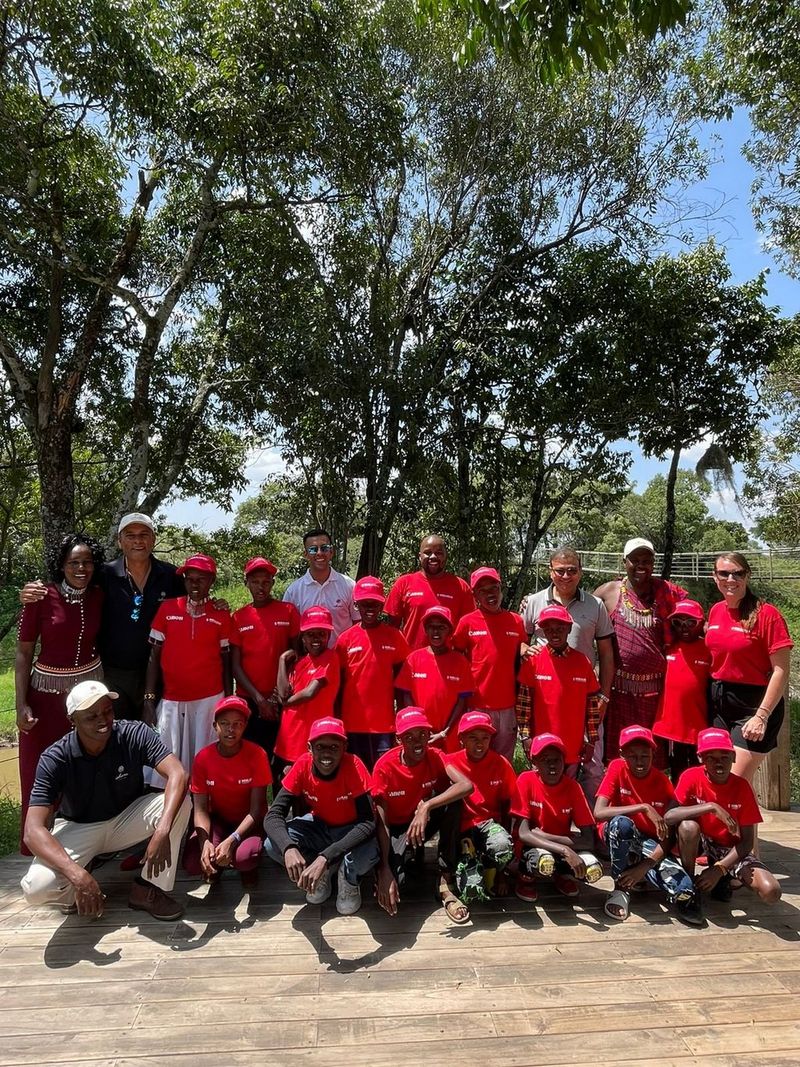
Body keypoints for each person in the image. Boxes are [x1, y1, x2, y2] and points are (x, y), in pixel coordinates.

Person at [21, 680, 191, 920]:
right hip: (78, 826)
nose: (103, 720)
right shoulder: (55, 758)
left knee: (182, 802)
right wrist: (75, 873)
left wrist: (162, 830)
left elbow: (178, 773)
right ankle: (77, 885)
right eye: (91, 717)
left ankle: (148, 888)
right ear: (73, 721)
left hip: (126, 818)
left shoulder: (133, 733)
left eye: (107, 711)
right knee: (35, 888)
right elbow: (32, 830)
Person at [20, 513, 185, 720]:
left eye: (144, 534)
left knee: (155, 740)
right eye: (130, 535)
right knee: (116, 738)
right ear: (120, 541)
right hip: (112, 675)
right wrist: (32, 590)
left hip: (160, 674)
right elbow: (69, 585)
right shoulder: (103, 575)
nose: (137, 541)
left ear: (153, 539)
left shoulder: (172, 576)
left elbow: (193, 606)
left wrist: (216, 604)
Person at [15, 533, 105, 852]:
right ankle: (36, 842)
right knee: (38, 765)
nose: (81, 568)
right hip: (46, 696)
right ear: (61, 565)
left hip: (90, 696)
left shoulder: (98, 594)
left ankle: (84, 837)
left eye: (87, 562)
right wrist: (20, 703)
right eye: (73, 562)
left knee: (86, 764)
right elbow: (24, 652)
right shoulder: (40, 596)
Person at [520, 547, 614, 803]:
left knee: (592, 764)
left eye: (572, 571)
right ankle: (546, 816)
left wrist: (604, 697)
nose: (565, 576)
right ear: (550, 572)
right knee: (546, 759)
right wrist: (526, 649)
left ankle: (593, 824)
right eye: (559, 571)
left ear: (580, 572)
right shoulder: (533, 602)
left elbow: (606, 654)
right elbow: (518, 640)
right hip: (545, 694)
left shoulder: (595, 605)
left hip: (585, 692)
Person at [264, 717, 379, 915]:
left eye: (334, 746)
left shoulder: (354, 766)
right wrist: (289, 848)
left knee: (370, 852)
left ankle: (347, 877)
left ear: (345, 746)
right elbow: (273, 815)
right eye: (320, 746)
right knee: (272, 845)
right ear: (310, 747)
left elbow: (368, 823)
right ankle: (322, 870)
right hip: (320, 826)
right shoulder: (302, 765)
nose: (327, 753)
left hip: (351, 831)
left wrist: (326, 856)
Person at [372, 708, 473, 923]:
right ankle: (400, 863)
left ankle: (445, 878)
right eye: (409, 736)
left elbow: (466, 785)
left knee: (454, 803)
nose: (417, 742)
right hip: (396, 829)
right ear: (399, 739)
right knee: (399, 882)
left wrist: (426, 806)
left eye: (423, 735)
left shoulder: (435, 756)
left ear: (430, 735)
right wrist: (384, 868)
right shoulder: (384, 767)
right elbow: (381, 823)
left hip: (420, 821)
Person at [668, 727, 782, 914]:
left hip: (728, 848)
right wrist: (710, 807)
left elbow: (746, 842)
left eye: (724, 757)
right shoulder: (691, 776)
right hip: (699, 840)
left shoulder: (741, 787)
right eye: (710, 758)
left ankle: (723, 878)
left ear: (734, 757)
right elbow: (669, 816)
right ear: (700, 759)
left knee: (771, 891)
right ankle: (688, 886)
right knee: (688, 827)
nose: (718, 764)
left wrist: (720, 869)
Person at [595, 538, 687, 764]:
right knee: (618, 757)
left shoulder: (668, 593)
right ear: (624, 562)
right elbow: (579, 614)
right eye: (635, 560)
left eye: (646, 560)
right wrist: (533, 602)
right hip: (618, 692)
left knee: (651, 757)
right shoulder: (607, 592)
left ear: (653, 562)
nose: (641, 565)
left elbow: (692, 617)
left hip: (656, 693)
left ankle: (652, 798)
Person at [705, 552, 793, 787]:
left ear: (747, 576)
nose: (730, 579)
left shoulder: (768, 615)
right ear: (715, 577)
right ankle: (745, 825)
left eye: (738, 573)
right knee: (722, 783)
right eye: (724, 573)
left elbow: (781, 670)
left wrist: (761, 716)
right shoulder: (715, 611)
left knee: (732, 783)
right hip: (719, 704)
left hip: (752, 705)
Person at [594, 725, 697, 924]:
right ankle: (620, 888)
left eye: (645, 756)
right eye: (633, 756)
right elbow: (599, 812)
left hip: (649, 844)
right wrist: (642, 807)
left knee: (683, 888)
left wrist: (645, 865)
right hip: (621, 835)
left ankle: (640, 874)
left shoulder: (662, 782)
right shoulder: (616, 768)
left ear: (653, 754)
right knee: (621, 825)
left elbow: (667, 836)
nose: (639, 762)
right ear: (623, 754)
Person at [145, 553, 232, 777]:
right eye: (189, 578)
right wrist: (149, 699)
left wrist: (228, 702)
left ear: (211, 581)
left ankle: (202, 807)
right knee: (166, 763)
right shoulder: (168, 608)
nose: (194, 584)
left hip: (209, 700)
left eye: (201, 579)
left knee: (205, 762)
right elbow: (154, 656)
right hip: (173, 699)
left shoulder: (221, 615)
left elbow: (227, 661)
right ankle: (170, 808)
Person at [183, 695, 271, 890]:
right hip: (219, 820)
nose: (231, 730)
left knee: (246, 858)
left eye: (237, 724)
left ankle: (246, 869)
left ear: (245, 726)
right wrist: (204, 841)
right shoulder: (203, 758)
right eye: (225, 723)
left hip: (249, 822)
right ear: (215, 726)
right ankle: (216, 866)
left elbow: (257, 810)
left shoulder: (257, 755)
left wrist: (233, 840)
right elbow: (200, 809)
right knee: (192, 862)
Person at [512, 733, 603, 902]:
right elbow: (524, 834)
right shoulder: (525, 780)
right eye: (545, 759)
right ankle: (525, 880)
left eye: (557, 760)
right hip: (534, 847)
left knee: (592, 867)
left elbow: (589, 840)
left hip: (550, 840)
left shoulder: (573, 787)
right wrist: (565, 849)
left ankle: (562, 876)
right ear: (535, 763)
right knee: (541, 858)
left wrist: (545, 836)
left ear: (564, 762)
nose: (552, 765)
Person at [453, 567, 528, 761]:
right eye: (483, 591)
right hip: (477, 704)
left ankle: (501, 791)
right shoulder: (466, 622)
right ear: (475, 595)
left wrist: (525, 648)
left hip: (508, 705)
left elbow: (522, 648)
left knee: (503, 759)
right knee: (476, 757)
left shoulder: (516, 621)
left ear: (500, 588)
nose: (490, 594)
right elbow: (456, 656)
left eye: (493, 588)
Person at [517, 603, 600, 778]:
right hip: (541, 746)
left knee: (567, 789)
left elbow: (592, 706)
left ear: (569, 629)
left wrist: (591, 741)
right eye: (549, 629)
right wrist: (525, 737)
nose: (554, 633)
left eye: (560, 628)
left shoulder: (582, 662)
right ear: (542, 631)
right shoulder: (532, 662)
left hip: (572, 746)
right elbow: (524, 705)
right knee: (542, 789)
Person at [335, 576, 410, 770]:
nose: (369, 608)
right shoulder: (345, 640)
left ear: (381, 605)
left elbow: (403, 684)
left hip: (384, 725)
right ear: (356, 604)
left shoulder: (395, 637)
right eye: (364, 603)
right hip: (351, 724)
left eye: (374, 603)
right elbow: (338, 685)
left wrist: (401, 719)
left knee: (382, 773)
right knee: (356, 776)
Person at [230, 556, 300, 760]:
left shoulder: (288, 611)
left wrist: (278, 695)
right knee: (251, 757)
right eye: (255, 582)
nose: (261, 587)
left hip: (282, 698)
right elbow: (235, 665)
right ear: (246, 584)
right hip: (250, 699)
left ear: (273, 583)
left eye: (266, 582)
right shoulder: (239, 617)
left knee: (281, 759)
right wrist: (260, 700)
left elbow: (297, 655)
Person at [445, 711, 518, 903]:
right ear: (461, 739)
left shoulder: (501, 764)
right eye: (473, 738)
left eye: (485, 738)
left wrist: (504, 870)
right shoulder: (449, 762)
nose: (479, 743)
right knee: (472, 889)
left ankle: (494, 868)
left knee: (502, 846)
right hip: (460, 830)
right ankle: (466, 866)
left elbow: (507, 806)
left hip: (488, 824)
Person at [274, 606, 341, 776]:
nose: (316, 639)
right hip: (288, 738)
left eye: (322, 634)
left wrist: (286, 702)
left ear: (329, 636)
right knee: (283, 787)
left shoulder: (330, 658)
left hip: (312, 737)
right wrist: (282, 661)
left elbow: (310, 692)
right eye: (310, 634)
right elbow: (282, 691)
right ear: (302, 638)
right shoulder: (298, 662)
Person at [395, 605, 473, 751]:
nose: (436, 631)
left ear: (450, 630)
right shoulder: (413, 659)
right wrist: (418, 727)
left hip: (449, 736)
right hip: (419, 735)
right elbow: (407, 697)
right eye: (431, 627)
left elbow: (461, 702)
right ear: (425, 630)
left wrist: (444, 732)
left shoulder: (460, 662)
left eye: (441, 627)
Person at [652, 600, 712, 783]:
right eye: (677, 623)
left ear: (702, 623)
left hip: (698, 725)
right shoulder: (668, 647)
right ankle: (677, 806)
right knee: (676, 769)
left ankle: (697, 806)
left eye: (690, 622)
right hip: (670, 726)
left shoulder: (709, 649)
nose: (683, 628)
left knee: (698, 769)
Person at [384, 535, 474, 649]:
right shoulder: (403, 583)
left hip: (449, 662)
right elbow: (392, 629)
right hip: (411, 662)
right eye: (427, 552)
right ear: (420, 556)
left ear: (446, 556)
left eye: (439, 553)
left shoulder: (461, 587)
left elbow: (468, 629)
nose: (433, 557)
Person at [282, 528, 359, 646]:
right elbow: (289, 631)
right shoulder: (294, 592)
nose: (319, 553)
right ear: (306, 554)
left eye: (324, 548)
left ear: (331, 552)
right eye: (313, 549)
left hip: (343, 659)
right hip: (309, 661)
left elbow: (358, 623)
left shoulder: (349, 586)